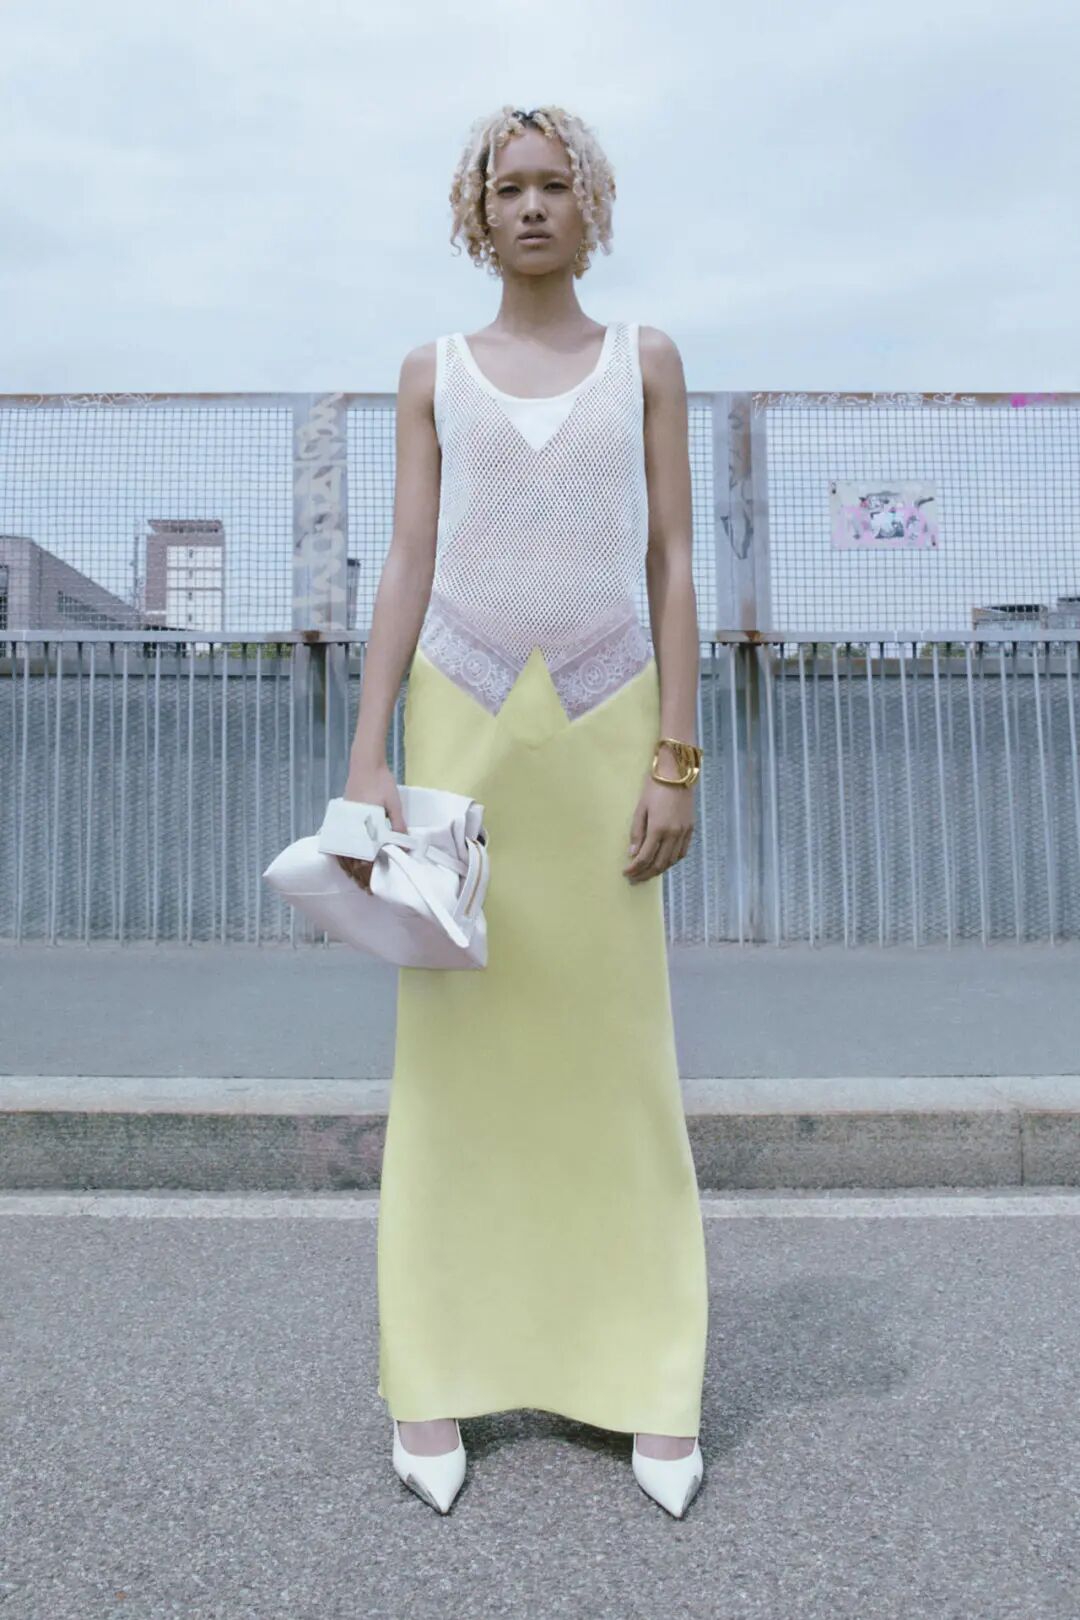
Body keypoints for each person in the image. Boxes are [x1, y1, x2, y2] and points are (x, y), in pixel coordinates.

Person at [336, 103, 709, 1518]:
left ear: (590, 205)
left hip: (611, 727)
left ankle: (649, 1376)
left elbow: (673, 560)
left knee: (620, 1058)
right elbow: (407, 559)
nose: (534, 206)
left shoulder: (647, 360)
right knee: (454, 1059)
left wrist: (676, 756)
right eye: (511, 188)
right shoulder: (430, 372)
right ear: (476, 210)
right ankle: (432, 1372)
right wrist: (368, 756)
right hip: (461, 723)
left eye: (558, 185)